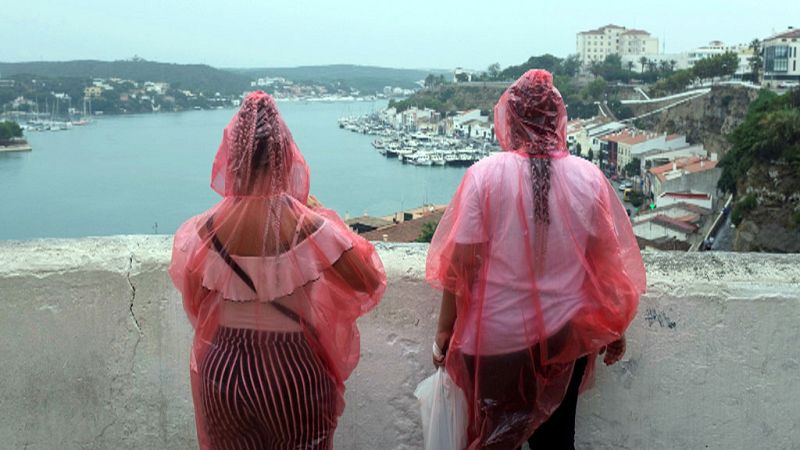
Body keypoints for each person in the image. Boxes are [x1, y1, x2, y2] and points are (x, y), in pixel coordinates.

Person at [426, 70, 646, 449]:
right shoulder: (589, 178)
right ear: (558, 121)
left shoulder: (485, 176)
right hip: (564, 342)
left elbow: (460, 268)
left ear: (509, 120)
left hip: (495, 343)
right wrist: (615, 330)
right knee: (557, 444)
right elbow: (604, 269)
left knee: (493, 441)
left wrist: (444, 332)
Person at [169, 91, 386, 449]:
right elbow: (368, 282)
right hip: (293, 368)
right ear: (286, 156)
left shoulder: (202, 231)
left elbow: (195, 306)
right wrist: (325, 216)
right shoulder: (306, 224)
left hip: (224, 367)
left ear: (232, 159)